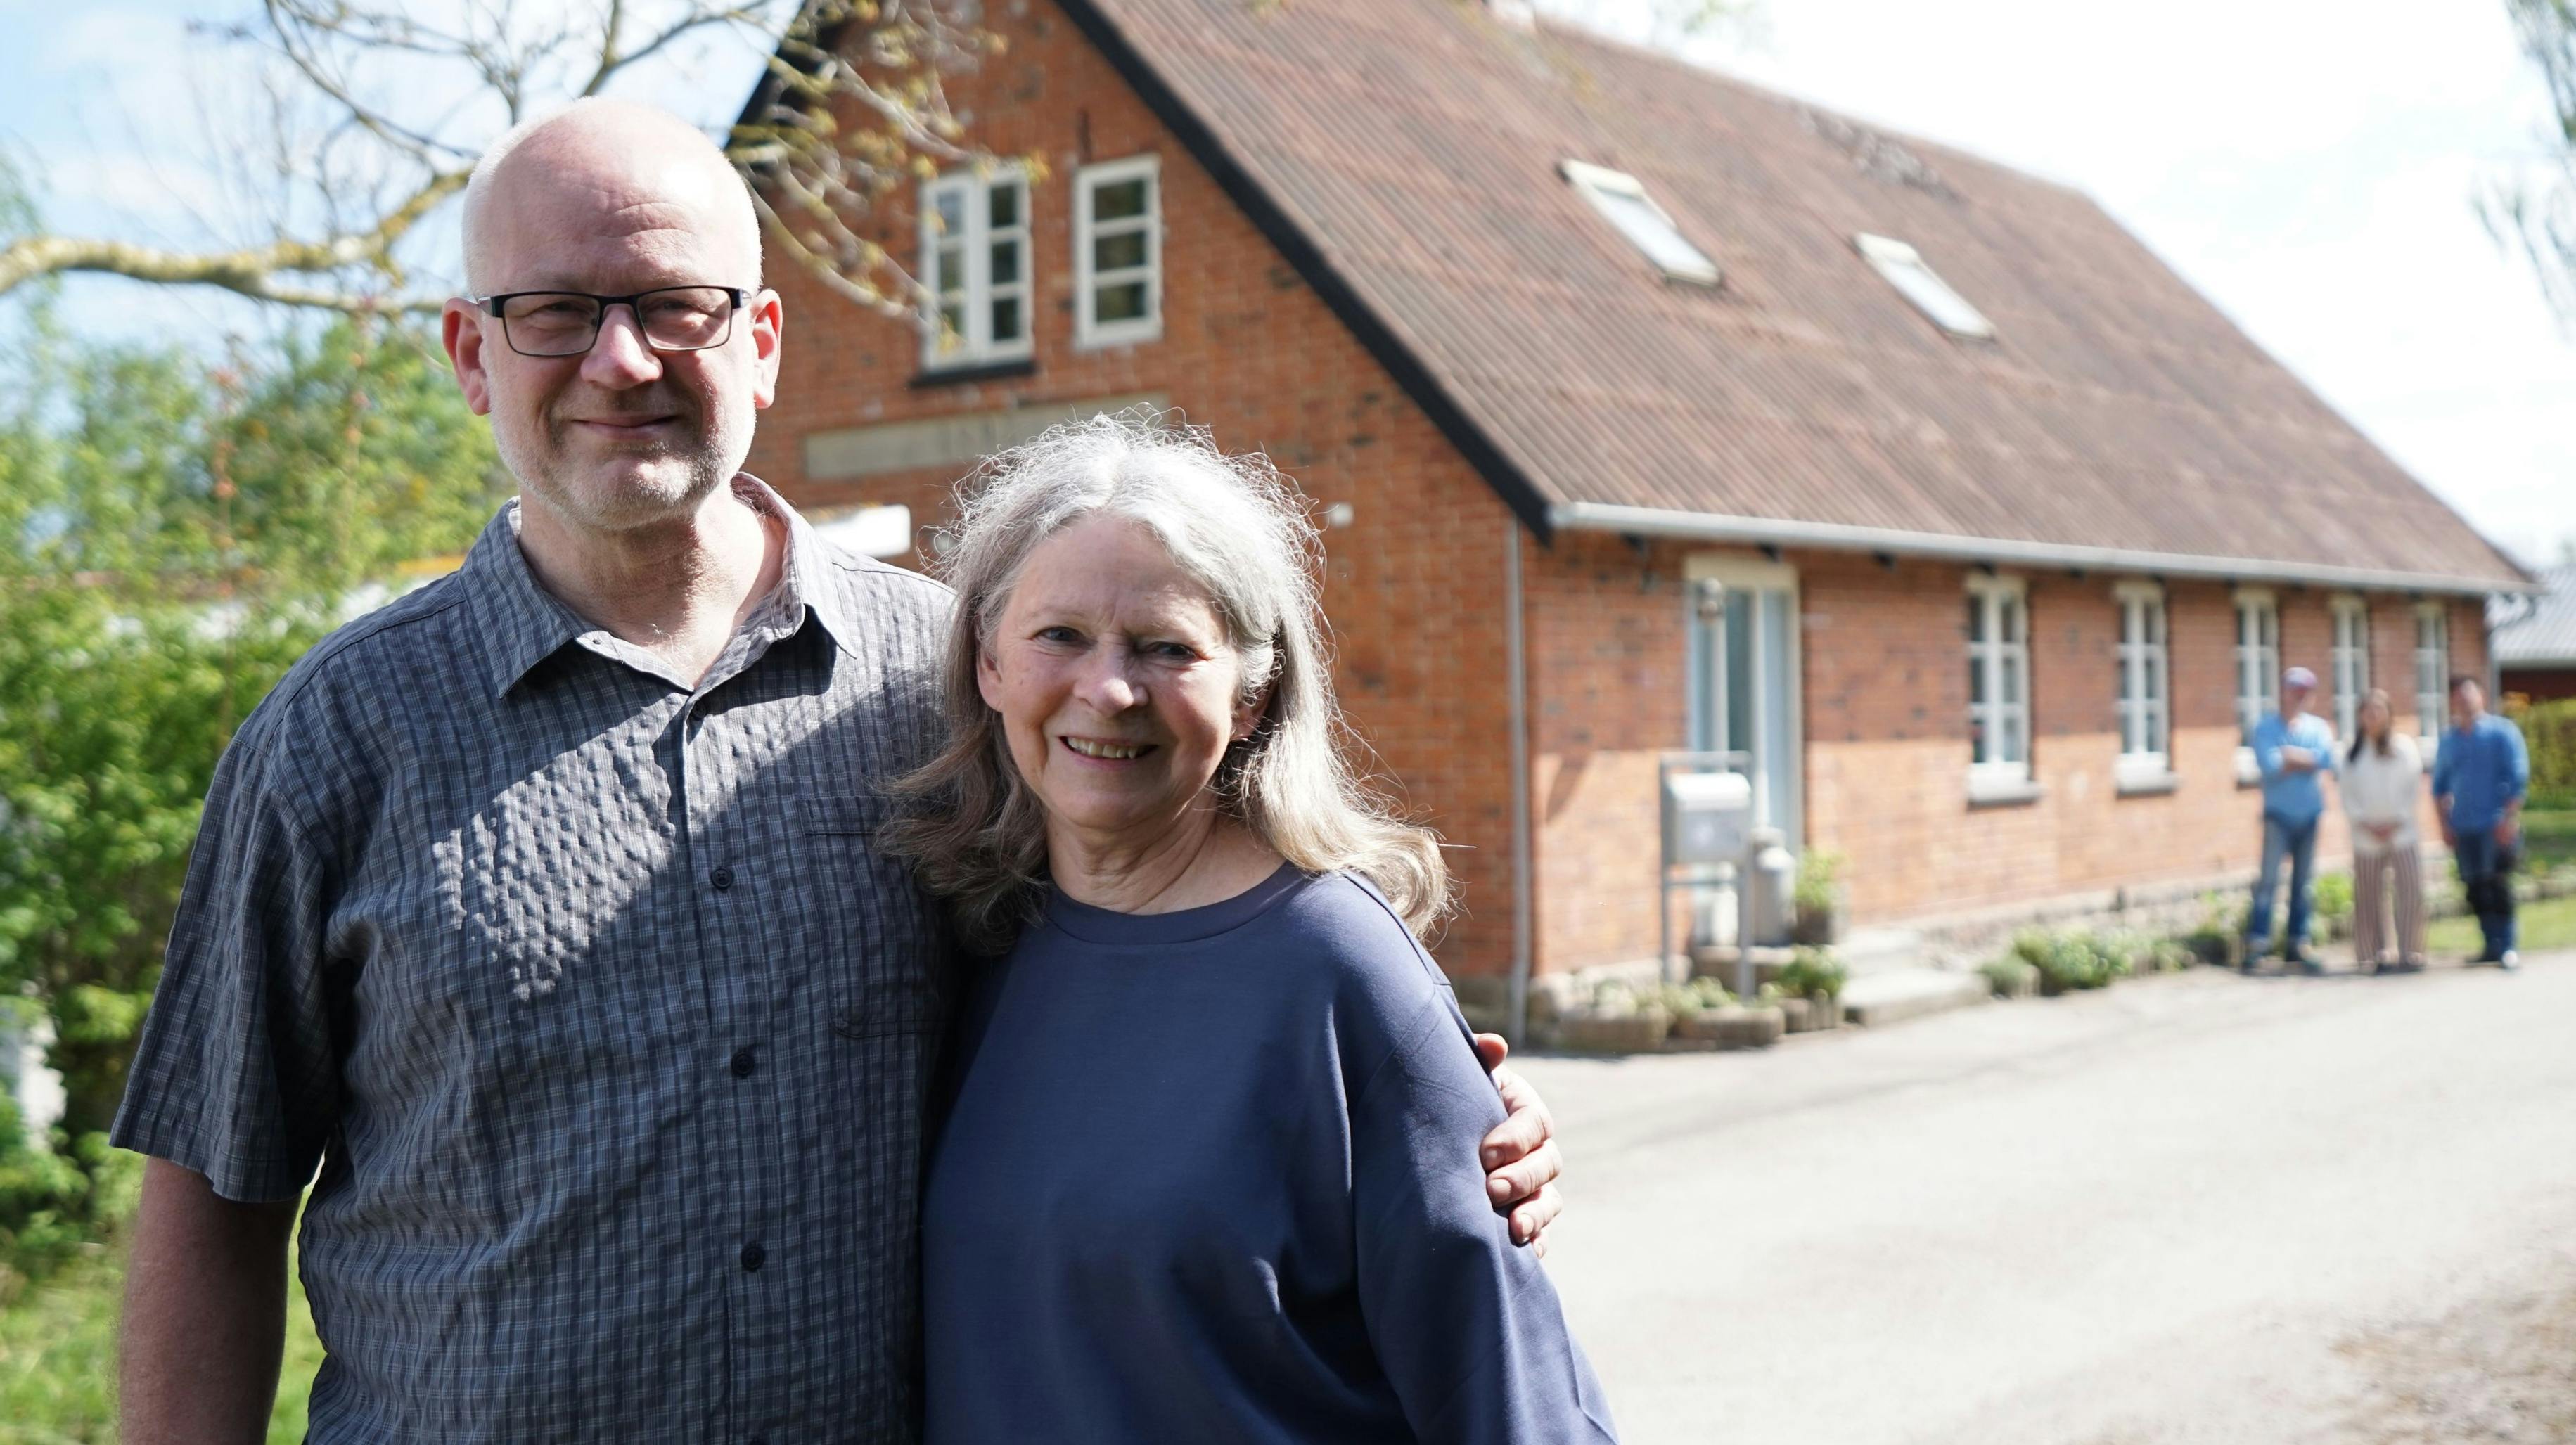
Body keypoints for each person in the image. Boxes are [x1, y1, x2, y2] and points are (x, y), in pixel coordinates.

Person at [108, 100, 1562, 1443]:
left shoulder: (950, 683)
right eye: (553, 310)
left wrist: (1420, 1110)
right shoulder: (336, 737)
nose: (623, 361)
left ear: (763, 340)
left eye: (677, 305)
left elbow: (1166, 937)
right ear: (471, 352)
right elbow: (208, 1191)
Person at [900, 418, 1619, 1443]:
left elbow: (1511, 1406)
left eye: (1165, 647)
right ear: (988, 665)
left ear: (1252, 694)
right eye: (1059, 634)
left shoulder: (1341, 971)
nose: (1108, 689)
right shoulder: (966, 935)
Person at [2245, 665, 2340, 973]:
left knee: (2304, 883)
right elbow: (2270, 765)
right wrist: (2305, 760)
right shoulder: (2265, 727)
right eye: (2294, 691)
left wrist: (2291, 756)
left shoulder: (2319, 728)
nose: (2299, 697)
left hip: (2310, 815)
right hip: (2278, 816)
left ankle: (2298, 944)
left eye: (2305, 692)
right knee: (2269, 881)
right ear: (2283, 693)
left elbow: (2327, 761)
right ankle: (2258, 945)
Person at [2433, 674, 2531, 970]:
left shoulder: (2502, 733)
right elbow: (2439, 787)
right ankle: (2490, 943)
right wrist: (2444, 825)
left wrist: (2509, 819)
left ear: (2481, 697)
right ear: (2451, 702)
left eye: (2469, 695)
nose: (2464, 701)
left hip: (2495, 824)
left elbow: (2517, 779)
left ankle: (2508, 945)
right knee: (2474, 886)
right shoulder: (2449, 740)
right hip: (2464, 826)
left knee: (2498, 884)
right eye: (2458, 697)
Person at [2340, 690, 2428, 974]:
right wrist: (2364, 822)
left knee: (2410, 890)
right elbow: (2347, 794)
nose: (2373, 716)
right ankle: (2372, 953)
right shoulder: (2352, 753)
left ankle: (2411, 951)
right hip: (2366, 834)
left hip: (2402, 832)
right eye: (2368, 711)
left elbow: (2412, 787)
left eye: (2379, 710)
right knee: (2368, 895)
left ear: (2390, 714)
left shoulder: (2403, 748)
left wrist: (2396, 820)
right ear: (2360, 716)